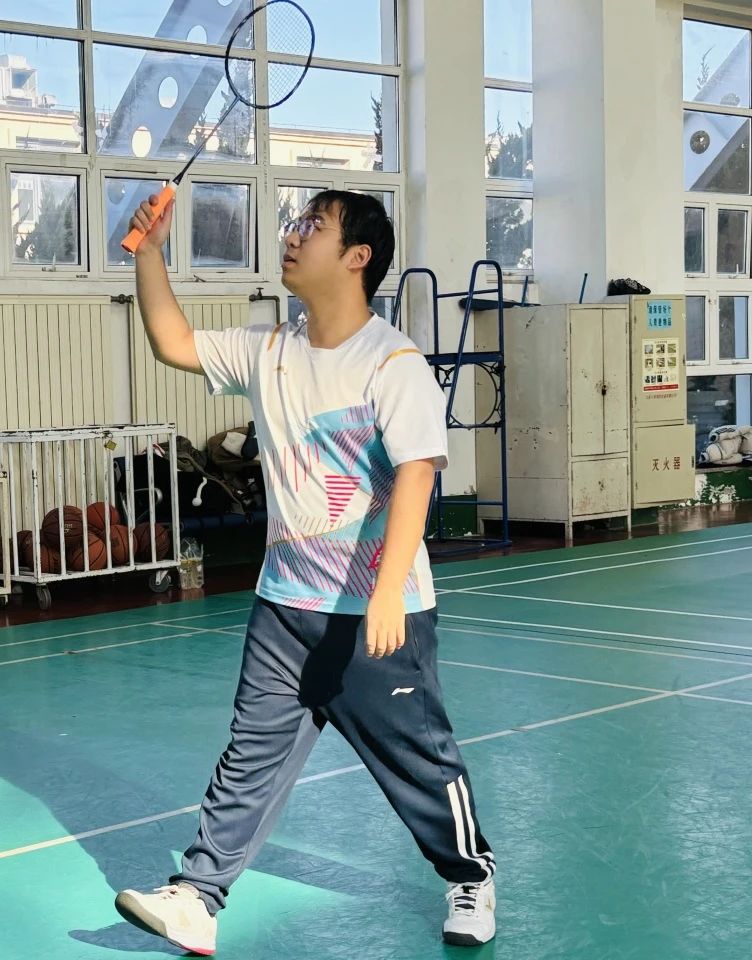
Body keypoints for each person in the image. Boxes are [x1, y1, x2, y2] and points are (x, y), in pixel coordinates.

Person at [113, 192, 496, 954]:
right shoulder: (270, 351)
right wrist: (149, 253)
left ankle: (471, 874)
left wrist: (386, 591)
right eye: (295, 223)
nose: (292, 236)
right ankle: (198, 895)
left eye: (313, 227)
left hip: (378, 615)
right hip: (285, 606)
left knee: (420, 761)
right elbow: (173, 340)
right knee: (250, 755)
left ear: (358, 257)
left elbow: (418, 474)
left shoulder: (393, 362)